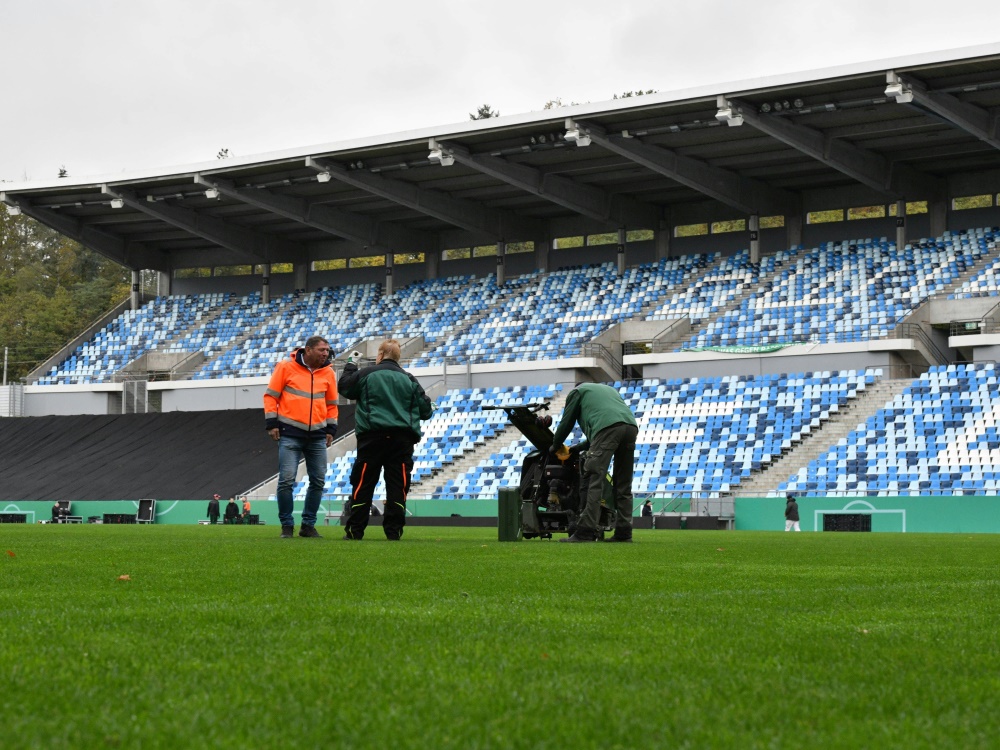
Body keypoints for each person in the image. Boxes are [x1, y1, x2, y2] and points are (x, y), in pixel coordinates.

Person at [339, 339, 433, 540]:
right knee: (398, 486)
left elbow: (345, 387)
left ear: (379, 356)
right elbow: (426, 411)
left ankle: (355, 531)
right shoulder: (409, 379)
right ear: (398, 358)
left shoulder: (366, 374)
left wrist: (350, 365)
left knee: (363, 483)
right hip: (401, 441)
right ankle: (393, 532)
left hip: (371, 438)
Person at [264, 335, 339, 539]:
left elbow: (332, 404)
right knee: (286, 480)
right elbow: (271, 395)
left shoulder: (329, 372)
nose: (326, 353)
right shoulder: (285, 366)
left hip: (317, 436)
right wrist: (271, 424)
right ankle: (287, 526)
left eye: (327, 350)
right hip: (290, 433)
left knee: (318, 481)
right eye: (322, 350)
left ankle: (308, 526)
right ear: (308, 350)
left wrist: (331, 430)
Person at [551, 382, 638, 543]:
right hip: (630, 427)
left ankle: (585, 531)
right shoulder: (608, 390)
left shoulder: (577, 392)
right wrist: (578, 448)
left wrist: (555, 445)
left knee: (593, 477)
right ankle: (624, 533)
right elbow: (601, 436)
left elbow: (566, 422)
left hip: (608, 428)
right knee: (623, 484)